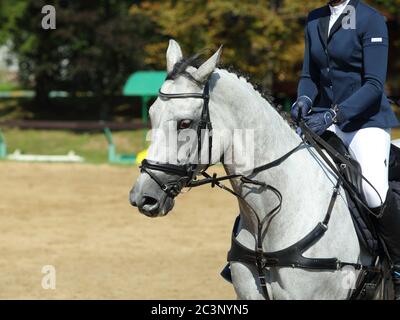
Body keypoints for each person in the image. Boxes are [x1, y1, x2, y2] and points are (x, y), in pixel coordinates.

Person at [291, 0, 400, 299]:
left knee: (373, 191)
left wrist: (335, 115)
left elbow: (374, 85)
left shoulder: (371, 19)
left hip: (365, 121)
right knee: (287, 172)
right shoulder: (315, 18)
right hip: (323, 118)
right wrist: (304, 100)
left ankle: (398, 264)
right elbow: (309, 77)